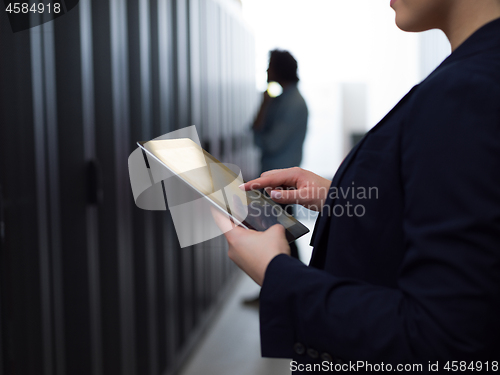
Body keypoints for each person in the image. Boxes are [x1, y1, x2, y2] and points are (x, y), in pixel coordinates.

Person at [214, 0, 500, 373]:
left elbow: (444, 340)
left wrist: (276, 273)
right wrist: (340, 195)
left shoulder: (466, 89)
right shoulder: (472, 74)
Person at [252, 49, 308, 261]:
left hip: (281, 182)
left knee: (280, 236)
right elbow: (257, 135)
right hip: (273, 178)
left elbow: (269, 143)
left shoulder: (293, 103)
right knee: (278, 234)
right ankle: (279, 289)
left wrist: (264, 108)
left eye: (270, 66)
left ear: (279, 69)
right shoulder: (281, 100)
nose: (267, 70)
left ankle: (290, 288)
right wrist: (264, 104)